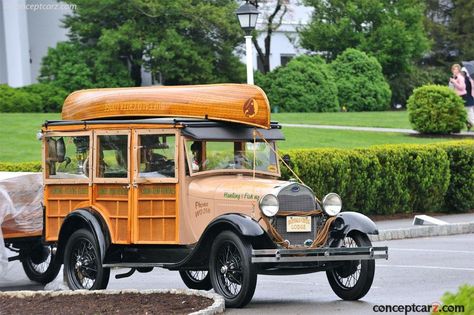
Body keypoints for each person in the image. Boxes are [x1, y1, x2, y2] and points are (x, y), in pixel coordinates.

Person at [450, 64, 472, 130]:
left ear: (459, 70)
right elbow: (451, 87)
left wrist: (454, 82)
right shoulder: (454, 77)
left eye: (456, 69)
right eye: (453, 69)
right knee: (456, 112)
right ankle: (467, 123)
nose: (455, 70)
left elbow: (462, 87)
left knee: (463, 112)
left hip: (462, 96)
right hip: (455, 96)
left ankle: (468, 123)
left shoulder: (460, 77)